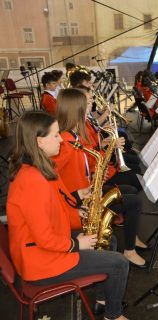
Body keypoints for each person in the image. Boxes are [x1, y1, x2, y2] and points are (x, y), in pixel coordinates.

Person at [7, 111, 129, 320]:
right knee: (119, 262)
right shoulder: (32, 181)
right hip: (41, 263)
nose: (60, 140)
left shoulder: (35, 168)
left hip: (42, 250)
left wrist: (79, 203)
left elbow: (51, 211)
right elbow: (44, 238)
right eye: (55, 135)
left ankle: (102, 300)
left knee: (110, 239)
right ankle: (113, 315)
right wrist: (75, 244)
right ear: (39, 141)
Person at [53, 89, 148, 268]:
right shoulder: (65, 143)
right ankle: (129, 250)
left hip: (87, 192)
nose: (90, 110)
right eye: (87, 106)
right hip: (80, 203)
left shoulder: (72, 137)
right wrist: (75, 200)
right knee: (133, 200)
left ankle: (131, 236)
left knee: (131, 192)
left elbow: (83, 167)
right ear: (77, 112)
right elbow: (54, 182)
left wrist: (97, 173)